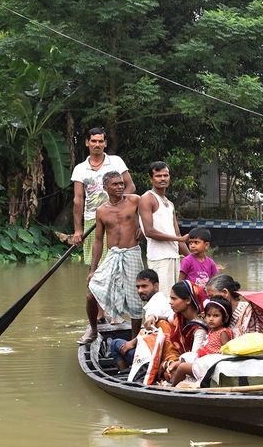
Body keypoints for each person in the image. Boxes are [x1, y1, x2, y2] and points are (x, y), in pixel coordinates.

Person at [79, 171, 144, 344]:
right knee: (91, 293)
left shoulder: (135, 200)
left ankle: (134, 341)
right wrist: (92, 270)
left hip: (132, 253)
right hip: (113, 255)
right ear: (105, 187)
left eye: (121, 183)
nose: (120, 187)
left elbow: (151, 214)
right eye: (115, 184)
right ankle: (93, 330)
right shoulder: (101, 211)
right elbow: (99, 241)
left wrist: (143, 229)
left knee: (135, 299)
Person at [70, 127, 134, 265]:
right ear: (87, 143)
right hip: (91, 219)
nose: (97, 144)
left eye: (100, 141)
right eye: (93, 141)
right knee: (95, 262)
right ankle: (94, 285)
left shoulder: (116, 161)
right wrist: (78, 230)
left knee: (117, 259)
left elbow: (130, 186)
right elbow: (78, 199)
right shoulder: (80, 169)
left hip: (116, 217)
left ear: (105, 143)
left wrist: (119, 206)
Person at [106, 268, 175, 370]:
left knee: (114, 343)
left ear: (155, 286)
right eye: (138, 287)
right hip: (166, 351)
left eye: (144, 286)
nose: (140, 291)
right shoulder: (164, 300)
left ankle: (127, 374)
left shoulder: (154, 306)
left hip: (155, 356)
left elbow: (151, 335)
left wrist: (132, 343)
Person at [138, 161, 188, 291]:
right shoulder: (147, 198)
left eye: (165, 175)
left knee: (174, 300)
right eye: (158, 176)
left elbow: (178, 235)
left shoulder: (170, 204)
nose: (163, 179)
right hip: (159, 258)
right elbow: (149, 231)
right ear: (151, 179)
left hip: (174, 257)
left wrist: (194, 260)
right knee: (161, 300)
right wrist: (178, 239)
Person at [170, 296, 233, 387]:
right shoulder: (211, 331)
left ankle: (172, 387)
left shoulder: (223, 332)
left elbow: (227, 351)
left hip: (212, 364)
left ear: (225, 318)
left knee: (182, 367)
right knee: (184, 358)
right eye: (209, 315)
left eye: (216, 316)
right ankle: (177, 381)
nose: (211, 319)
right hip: (204, 359)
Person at [158, 281, 208, 383]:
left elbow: (193, 359)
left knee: (169, 372)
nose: (170, 302)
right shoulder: (180, 317)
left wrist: (170, 364)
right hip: (179, 357)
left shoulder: (199, 328)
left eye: (174, 298)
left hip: (189, 364)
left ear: (188, 300)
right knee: (161, 323)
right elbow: (167, 318)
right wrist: (153, 316)